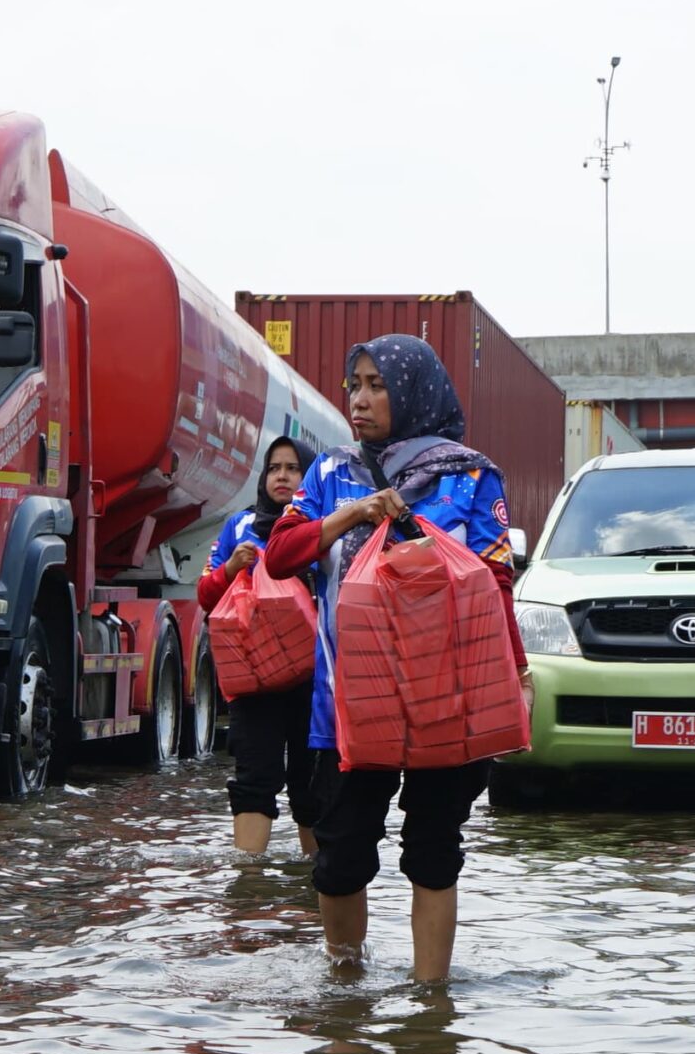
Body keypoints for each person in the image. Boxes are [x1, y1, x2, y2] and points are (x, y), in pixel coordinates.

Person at [262, 336, 523, 985]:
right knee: (340, 857)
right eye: (355, 384)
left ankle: (429, 1006)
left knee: (434, 852)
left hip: (449, 700)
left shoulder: (471, 476)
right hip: (346, 705)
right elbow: (281, 555)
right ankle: (344, 990)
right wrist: (355, 513)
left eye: (377, 385)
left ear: (413, 393)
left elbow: (496, 583)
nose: (360, 399)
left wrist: (517, 679)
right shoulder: (332, 474)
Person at [197, 436, 319, 858]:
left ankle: (317, 883)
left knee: (313, 783)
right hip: (253, 676)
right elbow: (206, 597)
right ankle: (248, 888)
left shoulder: (322, 525)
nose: (282, 476)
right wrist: (232, 568)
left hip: (312, 678)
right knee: (253, 779)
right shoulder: (239, 527)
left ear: (310, 476)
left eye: (292, 468)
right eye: (273, 468)